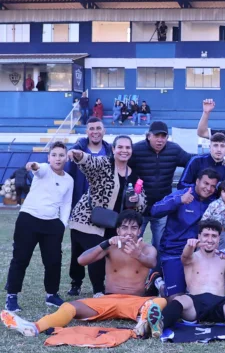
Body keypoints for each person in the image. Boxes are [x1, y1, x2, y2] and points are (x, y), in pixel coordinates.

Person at [2, 210, 168, 338]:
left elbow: (152, 262)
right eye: (124, 227)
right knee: (69, 306)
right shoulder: (110, 247)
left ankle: (145, 323)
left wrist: (137, 254)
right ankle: (34, 327)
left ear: (140, 231)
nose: (129, 232)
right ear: (118, 230)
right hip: (108, 299)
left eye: (133, 228)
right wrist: (104, 243)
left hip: (137, 303)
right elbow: (82, 260)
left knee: (160, 302)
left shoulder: (147, 249)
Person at [147, 221, 225, 339]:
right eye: (206, 235)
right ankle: (159, 324)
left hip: (220, 305)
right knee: (180, 299)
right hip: (195, 304)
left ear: (219, 239)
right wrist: (190, 246)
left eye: (214, 236)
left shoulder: (224, 259)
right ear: (199, 237)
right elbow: (185, 256)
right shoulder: (192, 257)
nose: (210, 239)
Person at [68, 136, 146, 297]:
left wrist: (137, 199)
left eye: (128, 148)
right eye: (120, 147)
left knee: (107, 252)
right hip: (87, 218)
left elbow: (143, 202)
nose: (124, 151)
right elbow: (90, 162)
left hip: (112, 223)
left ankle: (101, 285)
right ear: (113, 149)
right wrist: (78, 155)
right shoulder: (104, 163)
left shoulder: (134, 176)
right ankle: (92, 288)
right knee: (91, 251)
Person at [4, 142, 73, 312]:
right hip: (28, 219)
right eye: (54, 155)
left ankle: (51, 295)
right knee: (20, 259)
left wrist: (62, 225)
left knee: (53, 261)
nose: (58, 158)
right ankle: (11, 296)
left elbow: (66, 204)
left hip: (52, 224)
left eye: (61, 155)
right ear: (49, 157)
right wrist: (32, 165)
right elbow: (38, 168)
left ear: (66, 157)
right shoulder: (43, 169)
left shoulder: (69, 180)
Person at [151, 168, 220, 296]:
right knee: (175, 297)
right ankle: (157, 280)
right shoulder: (182, 195)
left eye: (212, 186)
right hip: (174, 252)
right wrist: (179, 201)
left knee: (200, 294)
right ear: (197, 181)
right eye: (206, 183)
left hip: (199, 253)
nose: (208, 188)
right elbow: (155, 210)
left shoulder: (214, 202)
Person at [64, 117, 113, 297]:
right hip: (81, 206)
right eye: (91, 128)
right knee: (78, 248)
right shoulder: (79, 149)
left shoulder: (109, 151)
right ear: (87, 131)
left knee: (99, 248)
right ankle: (76, 282)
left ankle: (100, 285)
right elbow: (69, 176)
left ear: (104, 130)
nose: (95, 131)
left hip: (103, 209)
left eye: (98, 128)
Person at [128, 121, 193, 250]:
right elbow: (119, 164)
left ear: (167, 138)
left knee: (160, 244)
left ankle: (158, 270)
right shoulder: (135, 149)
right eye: (156, 136)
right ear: (148, 136)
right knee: (134, 243)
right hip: (139, 207)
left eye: (163, 137)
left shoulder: (174, 150)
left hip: (163, 206)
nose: (160, 140)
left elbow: (193, 162)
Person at [201, 179, 225, 251]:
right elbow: (203, 220)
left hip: (222, 232)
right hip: (209, 230)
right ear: (220, 193)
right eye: (224, 191)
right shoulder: (214, 204)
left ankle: (224, 259)